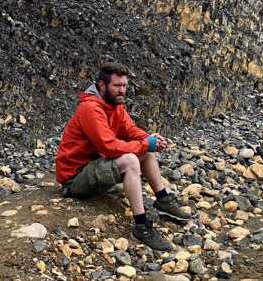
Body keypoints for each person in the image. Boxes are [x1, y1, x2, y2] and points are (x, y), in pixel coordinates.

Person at [55, 61, 191, 251]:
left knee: (145, 150)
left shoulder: (114, 105)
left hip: (93, 169)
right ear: (102, 85)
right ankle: (141, 226)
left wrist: (149, 139)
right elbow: (109, 147)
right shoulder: (90, 108)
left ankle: (163, 200)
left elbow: (130, 130)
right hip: (74, 180)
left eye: (125, 85)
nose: (122, 90)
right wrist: (146, 144)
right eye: (117, 85)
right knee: (131, 160)